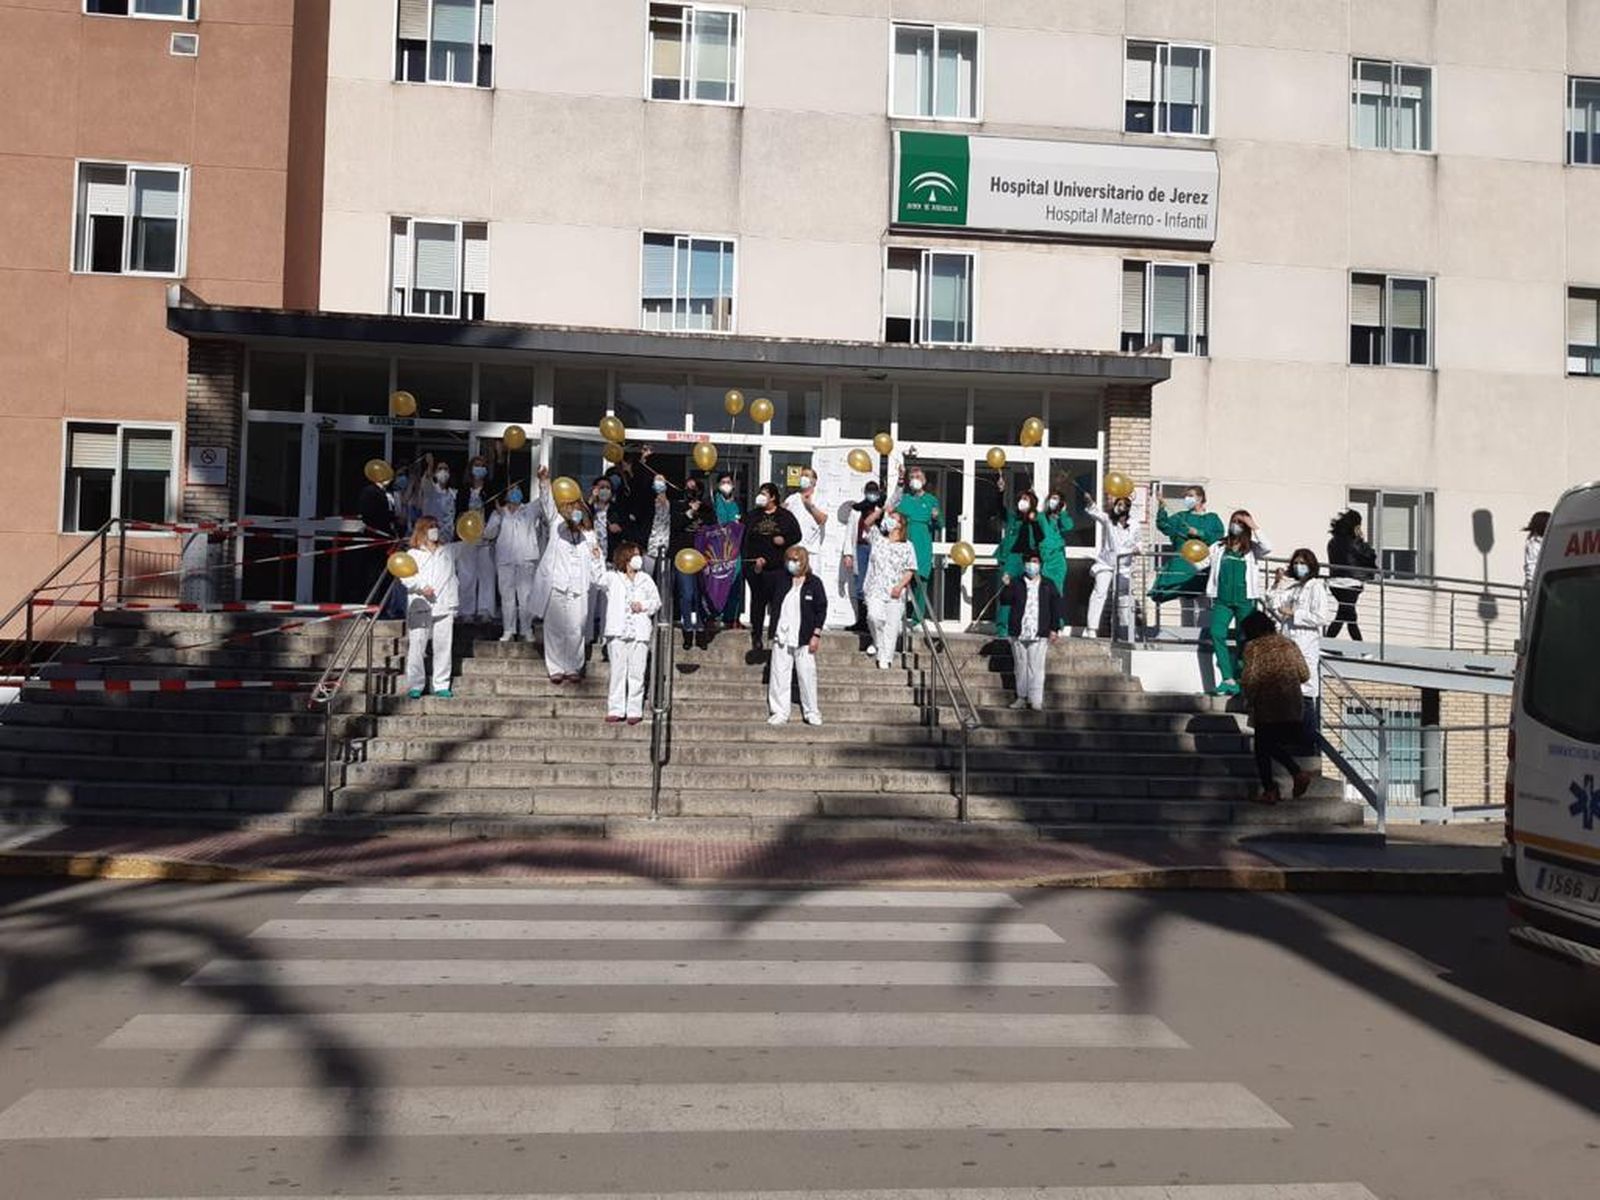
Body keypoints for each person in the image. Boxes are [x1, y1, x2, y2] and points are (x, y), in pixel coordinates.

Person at [533, 467, 604, 683]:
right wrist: (544, 483)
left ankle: (573, 666)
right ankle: (555, 667)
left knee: (576, 626)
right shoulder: (556, 526)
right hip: (557, 584)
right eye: (569, 508)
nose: (574, 512)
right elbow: (547, 506)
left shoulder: (589, 535)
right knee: (554, 627)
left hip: (578, 586)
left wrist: (597, 561)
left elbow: (596, 560)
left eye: (577, 508)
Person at [1238, 610, 1314, 804]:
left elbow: (1250, 678)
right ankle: (1291, 777)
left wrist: (1248, 699)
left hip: (1268, 706)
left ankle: (1275, 788)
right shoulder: (1289, 643)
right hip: (1293, 706)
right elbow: (1305, 674)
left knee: (1262, 747)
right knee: (1269, 745)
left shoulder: (1253, 647)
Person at [1267, 547, 1338, 748]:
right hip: (1288, 643)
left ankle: (1306, 746)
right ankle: (1289, 742)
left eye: (1302, 563)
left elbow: (1321, 617)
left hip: (1306, 645)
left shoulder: (1316, 587)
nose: (1299, 567)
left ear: (1311, 565)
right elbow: (1274, 604)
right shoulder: (1295, 588)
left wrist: (1295, 613)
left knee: (1305, 694)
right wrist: (1277, 582)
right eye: (1296, 563)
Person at [1205, 509, 1274, 695]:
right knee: (1217, 633)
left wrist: (1254, 525)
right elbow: (1201, 561)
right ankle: (1227, 677)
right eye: (1234, 521)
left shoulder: (1252, 548)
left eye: (1241, 523)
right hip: (1223, 600)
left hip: (1245, 600)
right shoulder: (1219, 546)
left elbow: (1268, 547)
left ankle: (1240, 678)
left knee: (1245, 638)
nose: (1236, 525)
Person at [398, 516, 463, 700]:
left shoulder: (448, 550)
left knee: (443, 646)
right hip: (420, 605)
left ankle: (441, 684)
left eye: (436, 526)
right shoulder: (413, 554)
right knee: (417, 646)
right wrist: (420, 587)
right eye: (431, 527)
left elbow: (470, 544)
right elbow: (405, 575)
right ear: (422, 530)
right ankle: (416, 684)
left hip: (444, 604)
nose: (435, 530)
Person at [600, 541, 661, 725]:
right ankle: (615, 708)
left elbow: (656, 602)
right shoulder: (613, 578)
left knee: (637, 671)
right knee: (618, 671)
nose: (638, 558)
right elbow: (597, 579)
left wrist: (643, 606)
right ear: (625, 557)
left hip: (639, 632)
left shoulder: (646, 579)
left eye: (639, 554)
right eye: (635, 554)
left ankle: (634, 709)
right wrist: (595, 558)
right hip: (617, 632)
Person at [766, 545, 828, 726]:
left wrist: (816, 634)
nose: (791, 564)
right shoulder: (781, 580)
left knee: (807, 675)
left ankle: (811, 711)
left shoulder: (814, 583)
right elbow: (765, 590)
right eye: (789, 560)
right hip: (782, 636)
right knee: (779, 674)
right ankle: (779, 711)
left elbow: (821, 609)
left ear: (803, 561)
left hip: (804, 637)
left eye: (795, 560)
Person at [1151, 485, 1225, 628]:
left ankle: (1203, 635)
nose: (1187, 499)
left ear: (1200, 498)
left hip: (1205, 566)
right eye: (1186, 496)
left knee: (1203, 602)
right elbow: (1163, 525)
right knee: (1186, 603)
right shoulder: (1181, 517)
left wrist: (1199, 533)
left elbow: (1218, 537)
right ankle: (1187, 633)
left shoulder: (1212, 518)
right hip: (1184, 565)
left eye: (1190, 495)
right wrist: (1161, 506)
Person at [741, 482, 802, 652]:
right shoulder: (753, 515)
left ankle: (775, 635)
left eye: (764, 493)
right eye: (760, 493)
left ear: (773, 497)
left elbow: (797, 534)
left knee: (777, 603)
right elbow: (742, 535)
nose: (761, 496)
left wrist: (784, 540)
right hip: (757, 568)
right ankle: (757, 635)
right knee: (758, 603)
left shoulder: (785, 516)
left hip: (778, 568)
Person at [1003, 551, 1065, 711]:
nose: (1032, 564)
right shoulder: (1017, 582)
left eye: (1036, 561)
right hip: (1019, 631)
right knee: (1020, 666)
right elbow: (1005, 600)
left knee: (1036, 667)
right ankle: (1021, 697)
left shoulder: (1047, 584)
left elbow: (1055, 606)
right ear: (1024, 564)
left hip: (1039, 632)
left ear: (1040, 564)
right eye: (1030, 561)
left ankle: (1036, 699)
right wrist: (1007, 585)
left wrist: (1054, 628)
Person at [484, 480, 543, 642]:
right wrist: (499, 517)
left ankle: (526, 629)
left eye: (517, 489)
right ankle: (508, 629)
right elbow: (488, 534)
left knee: (526, 596)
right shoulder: (498, 513)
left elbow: (545, 499)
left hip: (526, 559)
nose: (515, 492)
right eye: (512, 489)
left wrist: (543, 481)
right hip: (505, 560)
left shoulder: (530, 509)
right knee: (507, 596)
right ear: (506, 494)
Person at [860, 510, 916, 670]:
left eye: (894, 519)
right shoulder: (878, 539)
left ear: (900, 525)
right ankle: (878, 643)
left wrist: (899, 586)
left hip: (895, 591)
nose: (890, 521)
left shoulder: (907, 546)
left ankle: (885, 658)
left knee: (891, 626)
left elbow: (910, 569)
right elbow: (866, 524)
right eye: (890, 518)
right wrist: (880, 512)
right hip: (875, 588)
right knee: (874, 617)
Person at [994, 485, 1055, 632]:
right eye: (1021, 499)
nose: (1022, 501)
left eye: (1026, 499)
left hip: (1028, 559)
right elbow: (1000, 509)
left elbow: (1041, 536)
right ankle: (1003, 628)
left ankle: (1022, 627)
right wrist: (1000, 492)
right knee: (1007, 591)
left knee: (1025, 594)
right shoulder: (1013, 517)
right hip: (1012, 558)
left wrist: (1033, 520)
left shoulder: (1037, 517)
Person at [890, 463, 941, 624]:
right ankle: (898, 615)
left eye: (918, 477)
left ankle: (917, 619)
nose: (914, 480)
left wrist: (935, 517)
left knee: (921, 581)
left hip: (922, 544)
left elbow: (939, 525)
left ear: (924, 480)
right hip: (904, 541)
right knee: (901, 578)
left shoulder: (931, 500)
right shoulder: (904, 498)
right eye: (911, 477)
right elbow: (892, 512)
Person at [1084, 495, 1139, 640]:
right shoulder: (1108, 520)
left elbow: (1139, 542)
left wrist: (1137, 549)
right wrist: (1090, 502)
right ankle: (1091, 628)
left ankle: (1124, 630)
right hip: (1106, 563)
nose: (1119, 507)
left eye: (1122, 505)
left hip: (1124, 566)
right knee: (1099, 593)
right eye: (1118, 504)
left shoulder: (1134, 524)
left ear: (1128, 508)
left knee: (1123, 598)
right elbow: (1095, 513)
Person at [672, 475, 715, 650]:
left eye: (694, 487)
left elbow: (714, 531)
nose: (691, 491)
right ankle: (688, 630)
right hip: (684, 559)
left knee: (701, 596)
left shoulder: (707, 509)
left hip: (703, 558)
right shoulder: (679, 506)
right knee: (687, 594)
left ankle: (701, 630)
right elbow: (674, 526)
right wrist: (689, 513)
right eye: (688, 487)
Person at [455, 454, 497, 623]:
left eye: (482, 465)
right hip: (467, 536)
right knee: (467, 574)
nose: (479, 468)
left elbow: (495, 511)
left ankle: (485, 609)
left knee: (486, 574)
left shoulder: (490, 489)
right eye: (476, 465)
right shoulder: (464, 490)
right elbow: (457, 513)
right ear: (471, 469)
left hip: (485, 535)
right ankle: (466, 610)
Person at [1325, 509, 1377, 642]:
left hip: (1335, 583)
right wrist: (1361, 539)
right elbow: (1369, 556)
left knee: (1346, 614)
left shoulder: (1332, 542)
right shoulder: (1354, 542)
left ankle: (1329, 644)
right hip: (1352, 583)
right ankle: (1359, 648)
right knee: (1346, 615)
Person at [842, 479, 884, 630]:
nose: (872, 495)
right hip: (860, 548)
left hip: (876, 550)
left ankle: (871, 620)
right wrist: (848, 554)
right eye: (869, 491)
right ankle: (861, 620)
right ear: (865, 493)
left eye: (875, 492)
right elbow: (850, 532)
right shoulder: (856, 510)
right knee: (860, 584)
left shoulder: (881, 510)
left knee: (873, 584)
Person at [711, 470, 745, 628]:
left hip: (735, 549)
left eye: (729, 482)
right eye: (723, 482)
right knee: (720, 582)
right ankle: (717, 615)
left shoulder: (736, 504)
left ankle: (732, 617)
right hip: (720, 550)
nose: (726, 485)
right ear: (718, 485)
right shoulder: (715, 501)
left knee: (735, 583)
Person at [1041, 488, 1077, 597]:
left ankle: (1058, 613)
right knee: (1044, 591)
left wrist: (1063, 512)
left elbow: (1069, 526)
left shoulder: (1061, 519)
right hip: (1044, 558)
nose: (1054, 501)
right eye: (1052, 498)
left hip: (1058, 559)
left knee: (1057, 591)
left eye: (1057, 499)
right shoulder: (1041, 517)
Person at [784, 466, 828, 555]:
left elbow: (822, 520)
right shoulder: (792, 498)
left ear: (814, 481)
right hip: (793, 548)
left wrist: (810, 506)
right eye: (802, 475)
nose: (803, 478)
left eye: (807, 475)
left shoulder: (820, 499)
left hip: (811, 550)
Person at [420, 455, 457, 540]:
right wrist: (430, 465)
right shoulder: (430, 490)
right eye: (440, 469)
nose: (443, 471)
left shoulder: (453, 494)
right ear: (434, 472)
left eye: (445, 469)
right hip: (430, 535)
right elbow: (427, 481)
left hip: (447, 538)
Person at [644, 473, 672, 577]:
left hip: (665, 547)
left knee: (663, 579)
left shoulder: (670, 504)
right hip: (649, 547)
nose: (659, 483)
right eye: (657, 481)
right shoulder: (648, 503)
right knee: (647, 577)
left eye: (661, 481)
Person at [1523, 510, 1550, 589]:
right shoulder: (1534, 543)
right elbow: (1532, 563)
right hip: (1537, 582)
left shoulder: (1549, 539)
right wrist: (1531, 582)